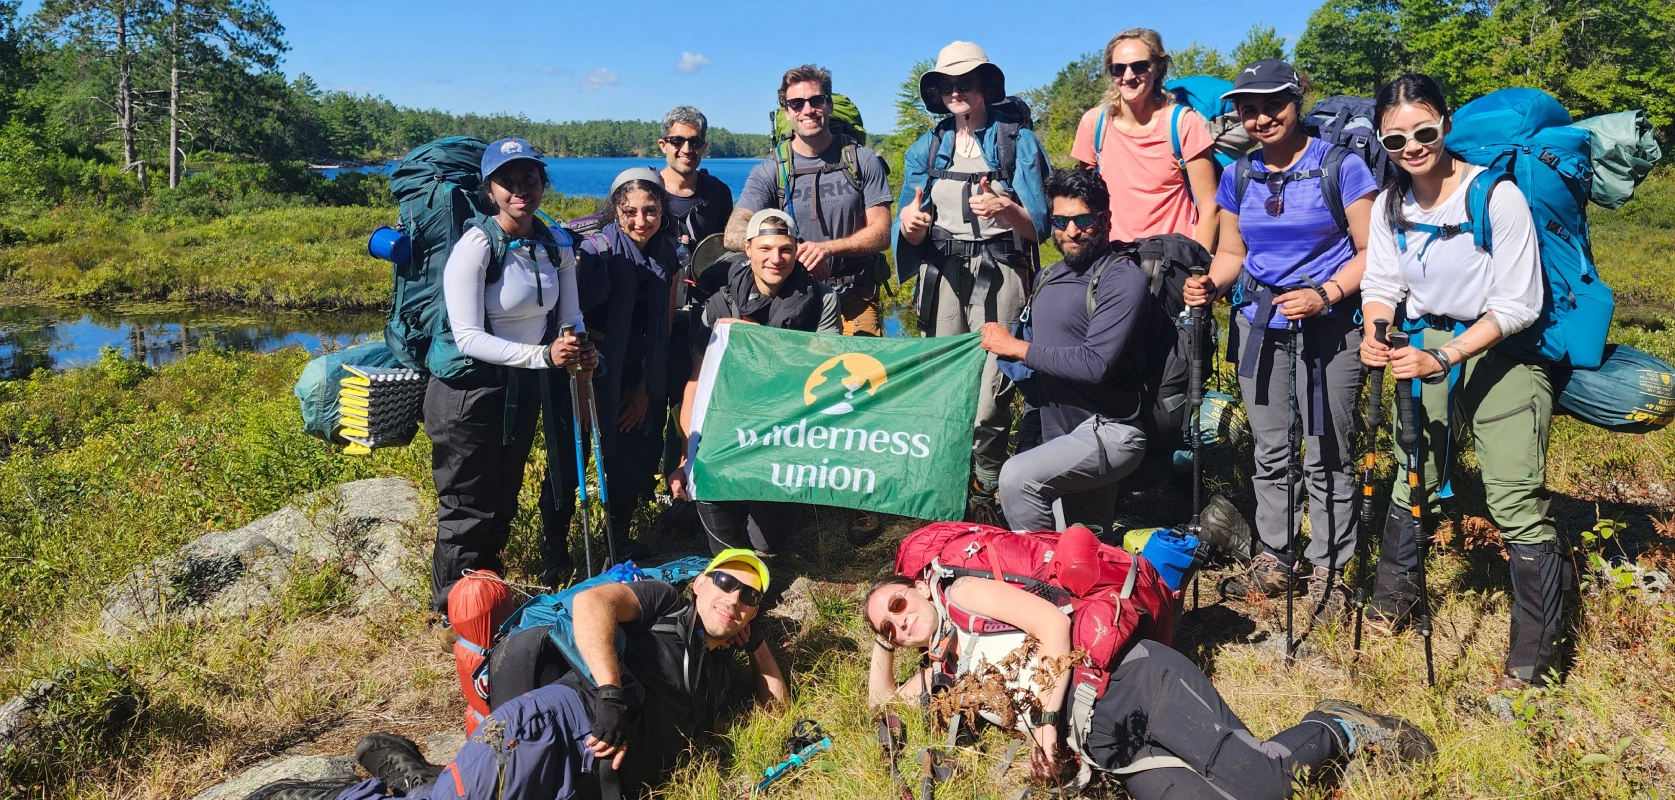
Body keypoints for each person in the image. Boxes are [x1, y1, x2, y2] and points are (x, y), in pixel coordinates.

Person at [241, 550, 788, 800]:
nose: (734, 598)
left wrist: (757, 642)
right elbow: (594, 604)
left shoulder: (715, 673)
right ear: (700, 582)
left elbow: (776, 709)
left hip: (597, 783)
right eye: (726, 582)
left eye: (750, 597)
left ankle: (419, 781)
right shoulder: (666, 602)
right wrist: (610, 693)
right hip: (557, 723)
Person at [863, 576, 1436, 800]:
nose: (899, 621)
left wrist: (1046, 726)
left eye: (898, 604)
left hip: (1134, 684)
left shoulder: (963, 594)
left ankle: (1337, 725)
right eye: (888, 625)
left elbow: (1053, 624)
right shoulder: (943, 676)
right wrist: (882, 641)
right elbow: (880, 702)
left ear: (918, 587)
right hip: (1108, 748)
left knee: (1267, 787)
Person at [1358, 74, 1561, 690]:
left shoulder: (1495, 196)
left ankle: (1536, 655)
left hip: (1501, 348)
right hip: (1424, 341)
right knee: (1412, 470)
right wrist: (1377, 330)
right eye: (1396, 140)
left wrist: (1445, 359)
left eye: (1424, 131)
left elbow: (1519, 304)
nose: (1412, 147)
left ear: (1446, 124)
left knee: (1513, 496)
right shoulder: (1391, 204)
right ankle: (1394, 601)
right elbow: (1382, 282)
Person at [1182, 59, 1379, 619]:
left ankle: (1330, 568)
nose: (1262, 117)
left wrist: (1325, 294)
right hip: (1259, 322)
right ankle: (1276, 554)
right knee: (1270, 448)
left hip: (1330, 324)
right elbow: (1232, 252)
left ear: (1297, 102)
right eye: (1249, 109)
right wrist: (1212, 285)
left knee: (1326, 449)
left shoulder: (1340, 167)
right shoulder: (1238, 174)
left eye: (1274, 104)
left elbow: (1372, 251)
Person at [426, 137, 595, 614]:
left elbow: (570, 314)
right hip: (466, 390)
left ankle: (488, 598)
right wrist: (545, 356)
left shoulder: (555, 242)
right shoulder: (476, 246)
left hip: (519, 386)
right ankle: (451, 612)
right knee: (466, 503)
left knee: (503, 494)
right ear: (490, 191)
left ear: (543, 183)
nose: (520, 189)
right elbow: (468, 337)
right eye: (507, 181)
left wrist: (577, 342)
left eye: (529, 179)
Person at [727, 64, 893, 545]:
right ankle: (801, 490)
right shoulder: (771, 169)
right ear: (785, 109)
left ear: (829, 103)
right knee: (799, 394)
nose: (807, 110)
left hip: (855, 294)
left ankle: (864, 503)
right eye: (796, 103)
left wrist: (828, 248)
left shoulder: (862, 161)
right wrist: (785, 247)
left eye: (816, 100)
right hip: (801, 302)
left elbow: (881, 233)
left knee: (862, 398)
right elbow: (735, 233)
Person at [894, 41, 1050, 525]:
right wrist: (910, 225)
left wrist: (1007, 209)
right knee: (943, 387)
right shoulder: (927, 146)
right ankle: (945, 482)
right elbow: (908, 220)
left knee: (989, 396)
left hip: (1000, 274)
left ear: (984, 85)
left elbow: (1040, 227)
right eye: (946, 84)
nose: (955, 91)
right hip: (942, 276)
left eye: (965, 82)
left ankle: (987, 484)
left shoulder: (1018, 143)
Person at [979, 168, 1149, 532]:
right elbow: (1039, 371)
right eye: (1060, 221)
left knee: (1017, 478)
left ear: (1105, 219)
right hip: (1060, 436)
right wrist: (1030, 432)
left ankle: (1041, 569)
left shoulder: (1122, 277)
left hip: (1110, 431)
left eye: (1083, 220)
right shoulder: (1047, 276)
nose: (1071, 231)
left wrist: (1015, 346)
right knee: (1085, 541)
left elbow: (1095, 364)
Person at [670, 209, 840, 555]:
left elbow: (821, 374)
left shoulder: (823, 299)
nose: (775, 259)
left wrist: (754, 336)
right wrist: (688, 456)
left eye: (785, 249)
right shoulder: (720, 302)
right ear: (747, 248)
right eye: (765, 248)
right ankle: (702, 511)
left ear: (797, 249)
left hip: (787, 424)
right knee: (726, 536)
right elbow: (696, 382)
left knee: (767, 542)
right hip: (729, 423)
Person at [539, 167, 676, 576]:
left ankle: (618, 536)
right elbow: (567, 322)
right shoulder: (593, 254)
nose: (641, 220)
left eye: (650, 210)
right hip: (584, 369)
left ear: (662, 209)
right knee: (570, 460)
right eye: (630, 211)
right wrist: (586, 390)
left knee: (630, 456)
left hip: (635, 368)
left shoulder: (667, 254)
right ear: (615, 210)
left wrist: (643, 387)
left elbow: (664, 326)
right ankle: (555, 550)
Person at [1071, 28, 1219, 252]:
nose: (1128, 76)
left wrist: (1196, 264)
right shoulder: (1094, 124)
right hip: (1114, 259)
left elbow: (1209, 207)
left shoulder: (1182, 124)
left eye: (1139, 66)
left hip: (1172, 259)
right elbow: (1086, 204)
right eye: (1118, 68)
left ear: (1158, 68)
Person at [659, 106, 735, 539]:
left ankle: (686, 496)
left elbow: (727, 253)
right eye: (678, 141)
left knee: (695, 400)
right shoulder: (646, 189)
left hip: (705, 313)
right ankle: (651, 494)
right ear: (663, 145)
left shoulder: (716, 193)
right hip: (656, 314)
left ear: (704, 146)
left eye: (695, 142)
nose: (686, 149)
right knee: (654, 399)